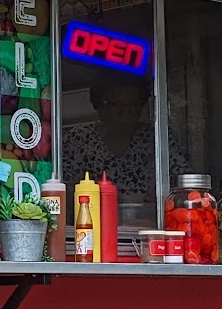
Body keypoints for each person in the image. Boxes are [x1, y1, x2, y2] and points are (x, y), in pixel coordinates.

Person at [60, 67, 157, 215]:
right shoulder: (79, 140)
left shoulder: (155, 139)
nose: (125, 112)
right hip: (89, 228)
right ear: (99, 105)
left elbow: (178, 184)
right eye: (116, 104)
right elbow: (62, 191)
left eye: (133, 105)